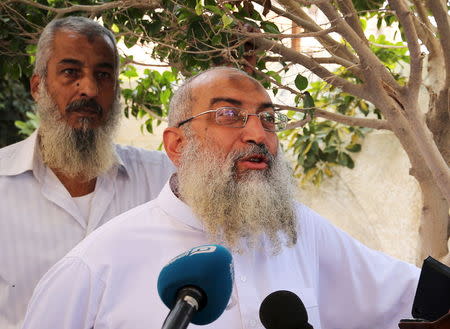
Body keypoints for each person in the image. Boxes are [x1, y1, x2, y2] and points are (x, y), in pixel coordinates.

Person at [21, 67, 419, 329]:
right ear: (177, 146)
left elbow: (410, 295)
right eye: (228, 116)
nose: (258, 135)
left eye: (268, 118)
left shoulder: (299, 231)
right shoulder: (95, 266)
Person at [0, 17, 174, 329]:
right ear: (38, 87)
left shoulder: (163, 180)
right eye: (70, 73)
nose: (90, 90)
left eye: (103, 75)